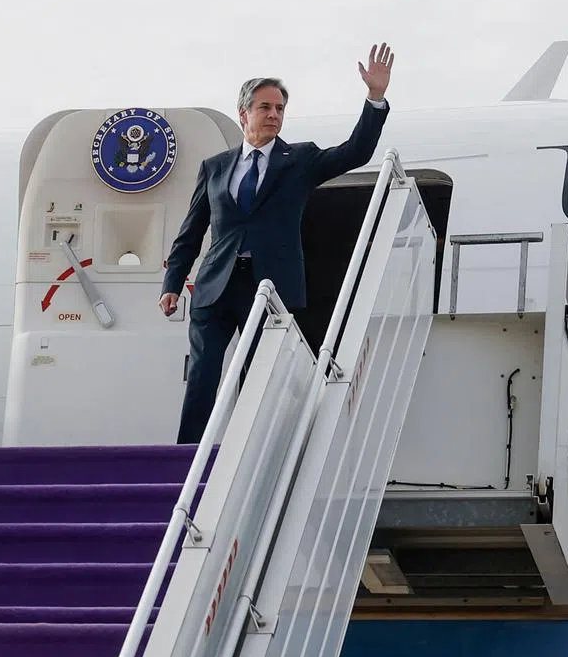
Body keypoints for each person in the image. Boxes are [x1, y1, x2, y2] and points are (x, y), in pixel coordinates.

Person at [160, 43, 395, 445]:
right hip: (216, 285)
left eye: (280, 108)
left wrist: (375, 99)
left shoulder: (299, 160)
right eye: (265, 107)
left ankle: (252, 452)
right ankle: (185, 457)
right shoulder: (215, 168)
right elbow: (191, 231)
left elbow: (355, 152)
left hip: (269, 289)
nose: (273, 115)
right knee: (202, 373)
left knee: (260, 376)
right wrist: (172, 283)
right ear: (244, 113)